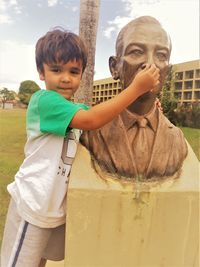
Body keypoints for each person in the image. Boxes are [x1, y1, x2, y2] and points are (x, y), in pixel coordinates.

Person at [0, 28, 160, 267]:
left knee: (39, 260)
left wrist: (146, 106)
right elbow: (93, 120)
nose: (65, 78)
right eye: (56, 70)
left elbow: (102, 115)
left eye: (74, 71)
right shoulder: (44, 101)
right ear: (41, 72)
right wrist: (136, 88)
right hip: (33, 203)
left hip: (54, 207)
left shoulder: (75, 110)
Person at [81, 16, 189, 180]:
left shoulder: (177, 141)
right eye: (137, 52)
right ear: (114, 67)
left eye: (161, 55)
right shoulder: (92, 134)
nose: (150, 64)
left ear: (168, 71)